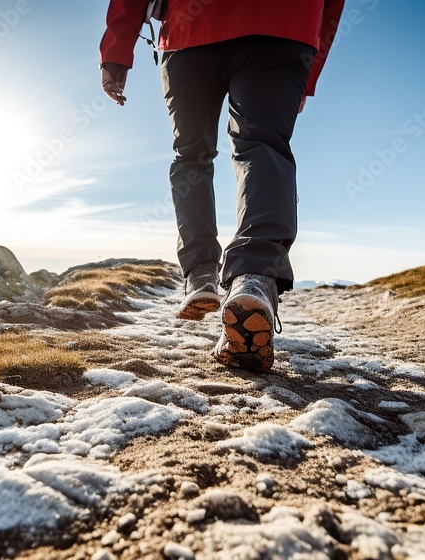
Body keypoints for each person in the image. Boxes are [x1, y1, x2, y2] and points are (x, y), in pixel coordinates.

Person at [100, 0, 345, 373]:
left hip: (191, 28)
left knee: (190, 156)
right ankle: (254, 279)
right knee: (261, 146)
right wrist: (309, 70)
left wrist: (116, 50)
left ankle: (200, 271)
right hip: (285, 24)